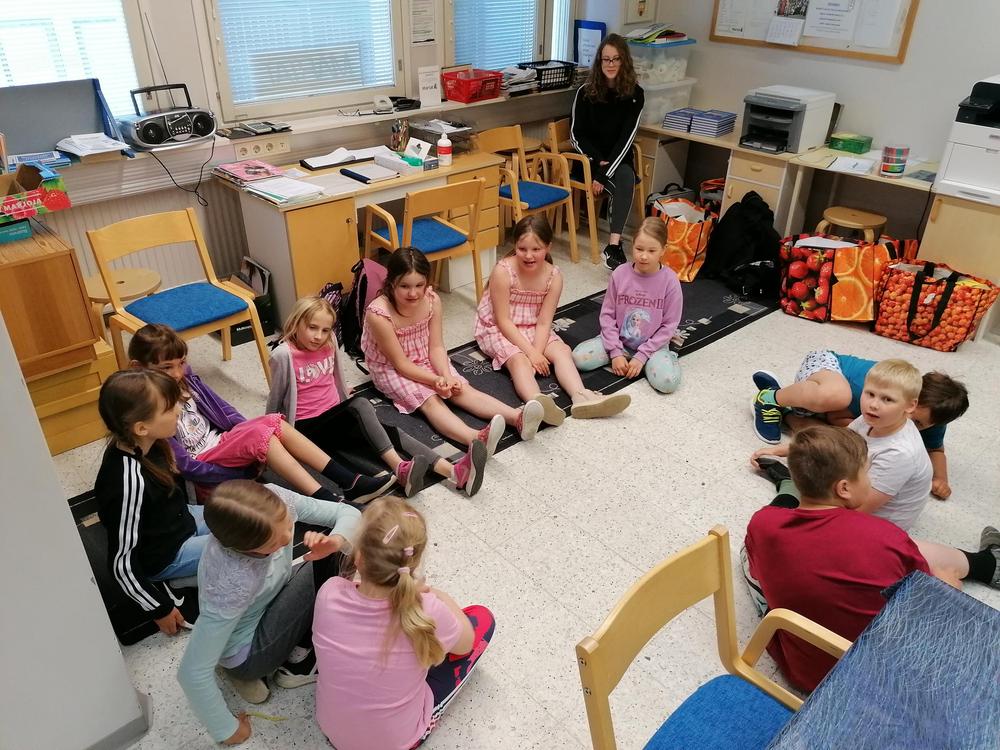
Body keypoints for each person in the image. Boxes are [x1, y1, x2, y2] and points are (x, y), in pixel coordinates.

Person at [744, 424, 1000, 692]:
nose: (870, 480)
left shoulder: (762, 523)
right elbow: (922, 607)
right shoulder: (887, 537)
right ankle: (986, 564)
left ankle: (786, 488)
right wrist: (948, 590)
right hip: (876, 678)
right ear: (844, 488)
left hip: (802, 671)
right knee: (943, 581)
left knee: (750, 554)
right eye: (867, 473)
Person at [177, 480, 360, 745]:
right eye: (274, 542)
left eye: (287, 524)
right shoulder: (231, 582)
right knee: (334, 563)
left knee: (337, 547)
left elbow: (348, 512)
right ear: (246, 548)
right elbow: (191, 672)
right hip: (248, 654)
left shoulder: (275, 499)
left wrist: (335, 540)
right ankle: (299, 665)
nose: (288, 537)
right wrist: (227, 730)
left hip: (259, 608)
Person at [128, 324, 394, 505]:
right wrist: (237, 471)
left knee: (270, 423)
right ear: (138, 368)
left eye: (181, 363)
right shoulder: (148, 411)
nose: (177, 373)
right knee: (261, 434)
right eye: (166, 367)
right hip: (205, 470)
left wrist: (250, 434)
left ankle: (348, 482)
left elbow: (224, 410)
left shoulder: (185, 378)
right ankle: (326, 497)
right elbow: (186, 466)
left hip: (221, 444)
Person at [313, 497, 494, 750]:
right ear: (413, 564)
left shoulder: (329, 592)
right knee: (483, 619)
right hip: (394, 743)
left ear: (358, 557)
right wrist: (438, 596)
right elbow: (465, 646)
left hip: (331, 728)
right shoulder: (427, 609)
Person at [268, 295, 485, 497]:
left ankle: (455, 472)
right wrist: (273, 435)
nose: (318, 336)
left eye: (325, 330)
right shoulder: (283, 355)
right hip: (308, 427)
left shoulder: (329, 342)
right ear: (296, 323)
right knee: (361, 405)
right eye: (312, 328)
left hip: (336, 415)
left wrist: (342, 392)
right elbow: (275, 397)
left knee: (391, 432)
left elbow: (335, 376)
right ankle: (399, 467)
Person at [361, 248, 544, 484]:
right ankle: (475, 438)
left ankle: (518, 417)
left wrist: (446, 375)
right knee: (429, 399)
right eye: (404, 286)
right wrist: (435, 381)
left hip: (424, 357)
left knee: (460, 388)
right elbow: (401, 363)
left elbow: (436, 347)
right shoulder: (379, 314)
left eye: (419, 285)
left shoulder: (432, 300)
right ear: (391, 283)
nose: (413, 293)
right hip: (391, 368)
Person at [751, 349, 968, 499]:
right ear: (910, 400)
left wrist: (941, 478)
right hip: (827, 369)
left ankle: (788, 413)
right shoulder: (871, 391)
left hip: (835, 411)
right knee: (839, 401)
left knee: (842, 440)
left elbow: (936, 449)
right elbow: (840, 420)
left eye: (917, 422)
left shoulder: (930, 418)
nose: (906, 421)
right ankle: (771, 397)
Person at [475, 215, 631, 420]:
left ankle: (581, 396)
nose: (528, 255)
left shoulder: (554, 276)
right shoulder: (503, 271)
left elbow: (544, 322)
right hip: (499, 327)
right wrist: (531, 354)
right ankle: (537, 404)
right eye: (522, 249)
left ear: (548, 247)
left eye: (536, 249)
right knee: (519, 361)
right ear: (515, 246)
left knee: (562, 351)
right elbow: (503, 321)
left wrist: (537, 353)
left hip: (533, 325)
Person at [753, 359, 933, 532]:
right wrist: (785, 450)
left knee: (791, 523)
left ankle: (789, 486)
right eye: (870, 394)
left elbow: (860, 509)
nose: (873, 404)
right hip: (855, 487)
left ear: (910, 406)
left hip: (874, 526)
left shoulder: (899, 453)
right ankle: (791, 487)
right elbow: (840, 441)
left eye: (887, 399)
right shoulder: (875, 417)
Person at [95, 369, 207, 635]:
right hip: (167, 555)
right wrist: (159, 608)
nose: (179, 410)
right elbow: (121, 563)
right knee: (245, 547)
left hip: (183, 521)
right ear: (141, 427)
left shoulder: (151, 443)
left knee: (247, 518)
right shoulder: (127, 480)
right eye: (169, 408)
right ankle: (179, 581)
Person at [572, 217, 683, 394]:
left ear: (663, 250)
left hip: (653, 348)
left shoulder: (670, 281)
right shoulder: (620, 274)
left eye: (652, 250)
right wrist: (615, 352)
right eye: (639, 249)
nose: (644, 256)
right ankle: (628, 359)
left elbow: (670, 325)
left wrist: (642, 356)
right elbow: (607, 315)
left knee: (668, 383)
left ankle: (663, 358)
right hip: (619, 341)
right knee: (578, 358)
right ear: (632, 245)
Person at [570, 32, 644, 270]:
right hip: (589, 161)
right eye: (606, 59)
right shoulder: (585, 92)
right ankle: (615, 247)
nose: (610, 64)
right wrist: (595, 162)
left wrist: (604, 173)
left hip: (617, 160)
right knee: (623, 182)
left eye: (616, 59)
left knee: (625, 176)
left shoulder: (635, 95)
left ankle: (613, 245)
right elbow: (576, 135)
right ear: (599, 61)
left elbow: (626, 140)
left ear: (624, 61)